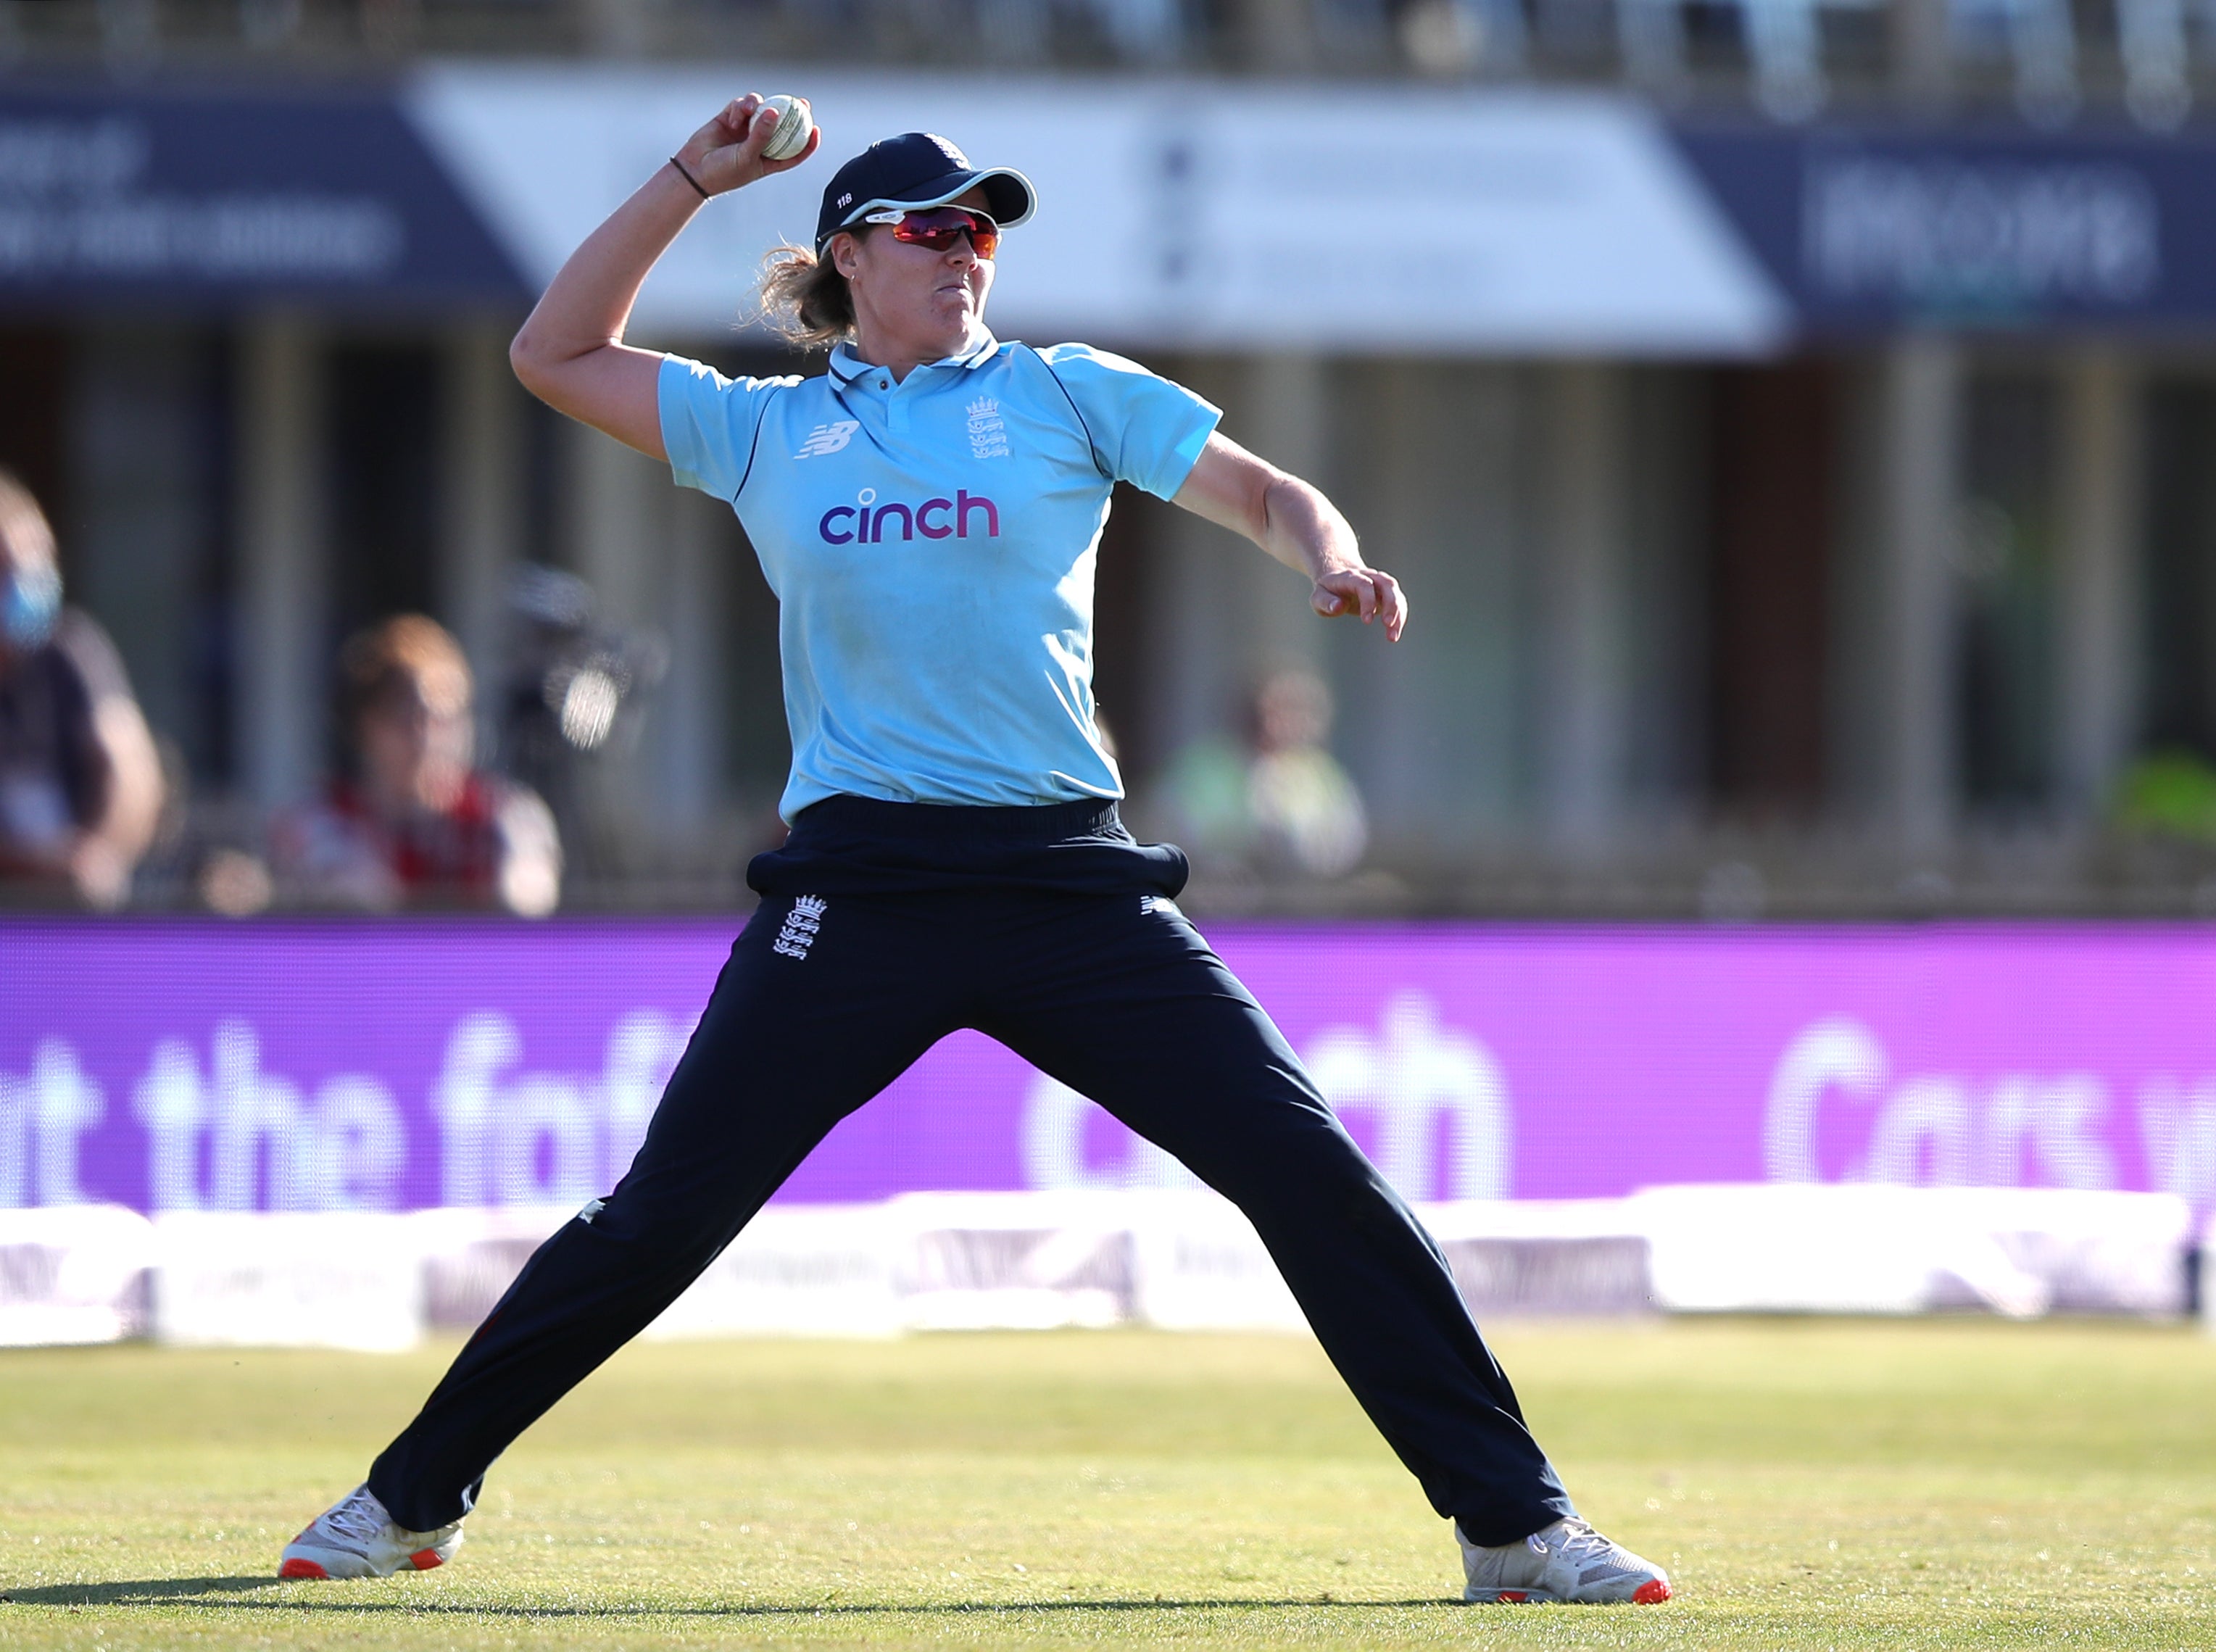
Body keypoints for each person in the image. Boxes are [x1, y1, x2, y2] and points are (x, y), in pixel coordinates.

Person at [276, 99, 1669, 1608]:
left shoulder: (1068, 392)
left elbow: (1265, 490)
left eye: (982, 228)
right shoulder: (768, 427)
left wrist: (1329, 557)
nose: (967, 251)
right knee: (657, 1220)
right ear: (849, 258)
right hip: (858, 893)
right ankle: (408, 1497)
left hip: (1070, 885)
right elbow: (549, 353)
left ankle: (1515, 1525)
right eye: (931, 228)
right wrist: (692, 177)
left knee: (1310, 1171)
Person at [270, 615, 561, 917]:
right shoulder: (315, 825)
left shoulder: (509, 819)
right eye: (406, 716)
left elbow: (528, 915)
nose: (428, 737)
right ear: (364, 725)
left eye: (446, 717)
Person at [0, 469, 162, 909]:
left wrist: (97, 852)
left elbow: (130, 769)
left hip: (68, 919)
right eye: (9, 569)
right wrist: (27, 865)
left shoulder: (69, 649)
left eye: (38, 561)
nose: (24, 584)